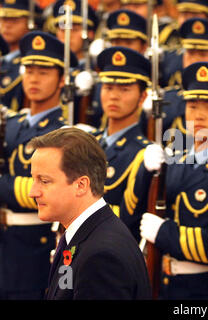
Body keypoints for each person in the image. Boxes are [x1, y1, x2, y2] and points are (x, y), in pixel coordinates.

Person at [139, 62, 208, 300]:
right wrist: (143, 174)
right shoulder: (172, 164)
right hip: (163, 284)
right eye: (192, 105)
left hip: (206, 291)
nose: (198, 114)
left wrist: (165, 232)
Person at [27, 127, 151, 300]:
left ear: (81, 185)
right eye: (34, 179)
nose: (32, 192)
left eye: (44, 181)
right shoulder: (82, 236)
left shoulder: (101, 257)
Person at [0, 31, 78, 299]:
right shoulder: (9, 125)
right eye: (29, 70)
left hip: (33, 250)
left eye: (44, 71)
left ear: (62, 79)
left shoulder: (64, 133)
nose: (33, 78)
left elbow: (50, 193)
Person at [94, 46, 152, 242]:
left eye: (125, 89)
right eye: (108, 87)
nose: (114, 96)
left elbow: (127, 219)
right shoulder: (89, 143)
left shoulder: (143, 155)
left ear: (143, 97)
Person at [0, 0, 43, 111]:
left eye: (14, 20)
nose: (7, 25)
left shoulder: (30, 63)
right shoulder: (3, 60)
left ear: (31, 24)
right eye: (4, 19)